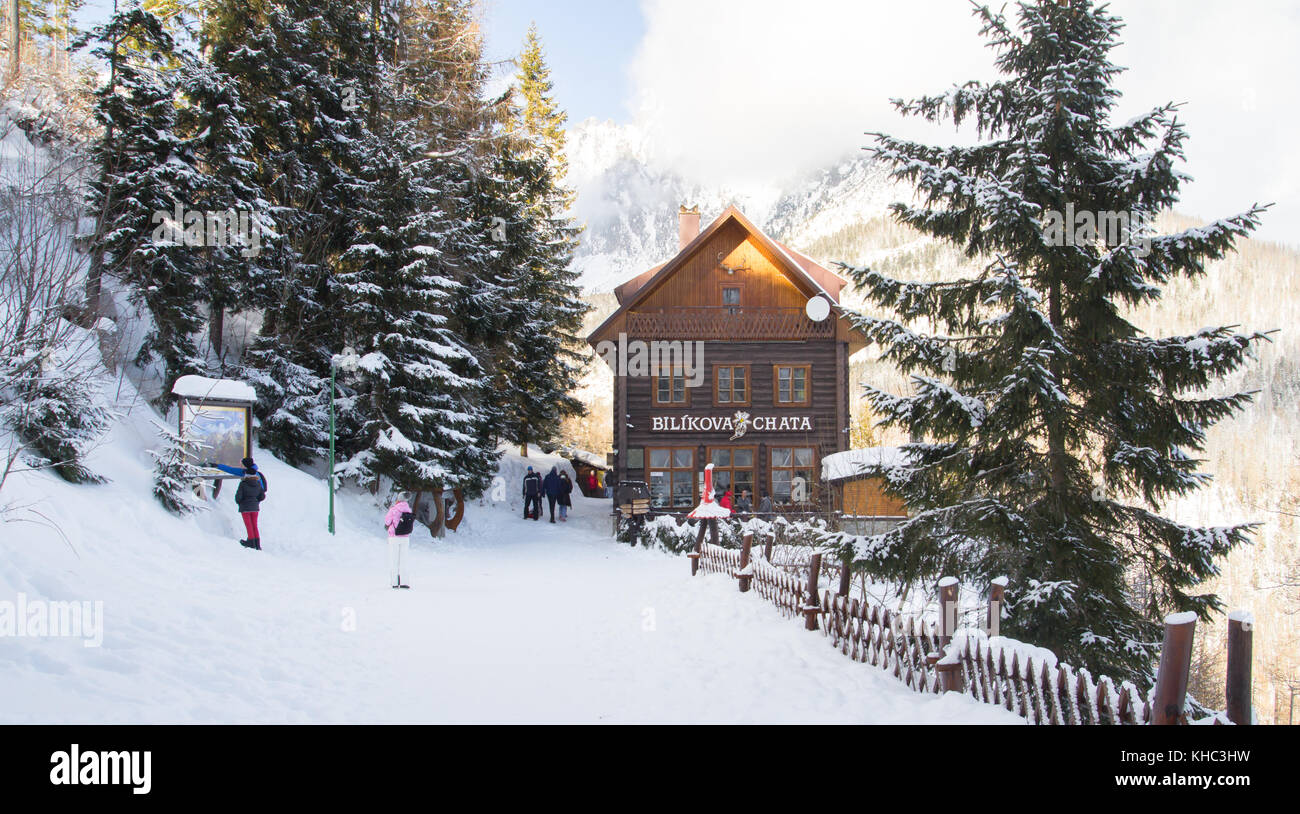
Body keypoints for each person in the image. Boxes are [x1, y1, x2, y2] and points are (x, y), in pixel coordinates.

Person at [384, 497, 415, 589]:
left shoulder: (393, 510)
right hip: (405, 538)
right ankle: (404, 582)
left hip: (394, 537)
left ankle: (394, 582)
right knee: (404, 560)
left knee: (394, 559)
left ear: (398, 500)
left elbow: (387, 521)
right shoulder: (409, 510)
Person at [233, 466, 267, 549]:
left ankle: (251, 542)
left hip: (245, 507)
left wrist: (240, 502)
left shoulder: (243, 484)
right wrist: (256, 501)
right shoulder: (258, 483)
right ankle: (257, 543)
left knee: (249, 525)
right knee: (254, 525)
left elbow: (238, 497)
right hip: (255, 507)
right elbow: (262, 496)